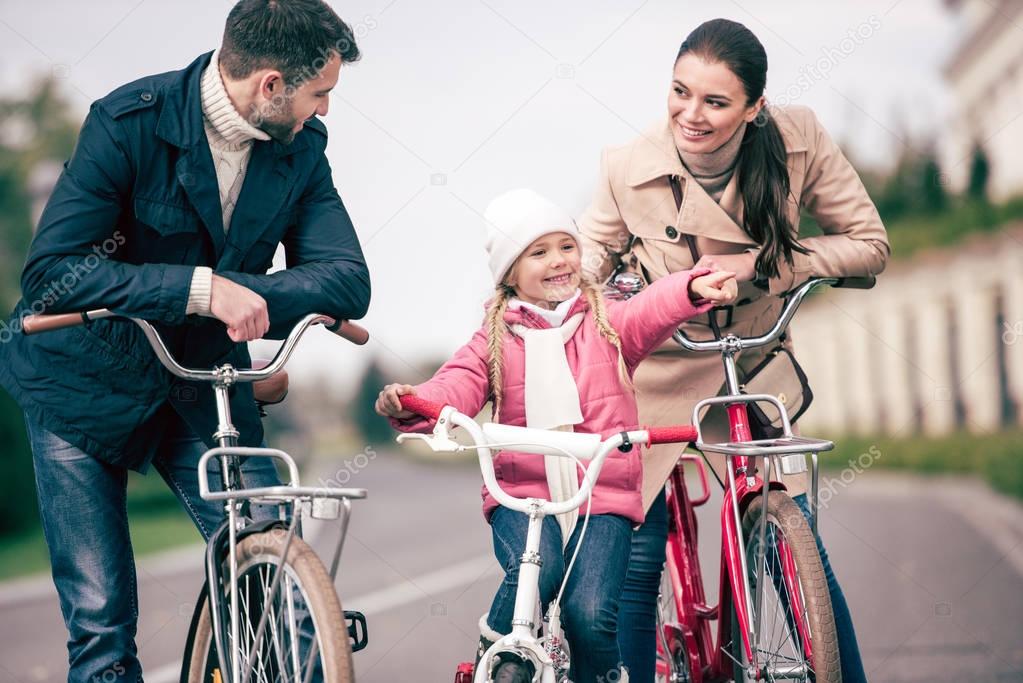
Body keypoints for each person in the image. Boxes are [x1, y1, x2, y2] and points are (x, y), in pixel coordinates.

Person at [0, 1, 370, 680]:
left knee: (282, 579)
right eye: (320, 94)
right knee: (102, 623)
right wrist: (199, 290)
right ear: (269, 85)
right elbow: (54, 273)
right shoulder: (128, 122)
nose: (323, 112)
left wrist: (239, 295)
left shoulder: (300, 151)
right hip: (79, 382)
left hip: (203, 380)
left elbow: (345, 281)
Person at [578, 18, 889, 683]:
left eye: (715, 102)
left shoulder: (797, 137)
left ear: (754, 108)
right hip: (662, 365)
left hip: (750, 356)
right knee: (637, 558)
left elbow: (868, 243)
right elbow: (585, 263)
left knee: (791, 539)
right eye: (679, 91)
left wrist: (765, 266)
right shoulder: (625, 167)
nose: (689, 114)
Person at [375, 188, 737, 683]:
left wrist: (692, 288)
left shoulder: (607, 321)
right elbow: (456, 384)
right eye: (538, 252)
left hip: (601, 498)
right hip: (522, 495)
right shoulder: (494, 338)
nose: (558, 261)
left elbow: (651, 308)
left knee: (590, 616)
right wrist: (415, 402)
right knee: (538, 571)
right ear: (510, 272)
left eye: (566, 246)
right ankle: (499, 649)